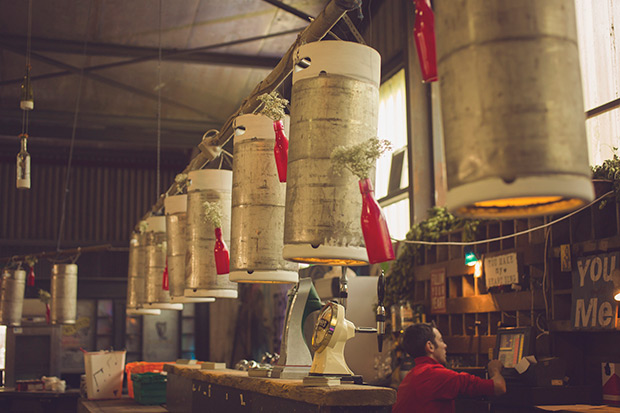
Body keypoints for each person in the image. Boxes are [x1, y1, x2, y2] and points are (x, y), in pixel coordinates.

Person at [392, 323, 506, 413]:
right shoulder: (438, 376)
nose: (445, 345)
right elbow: (499, 387)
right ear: (430, 346)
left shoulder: (411, 376)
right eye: (441, 340)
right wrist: (494, 369)